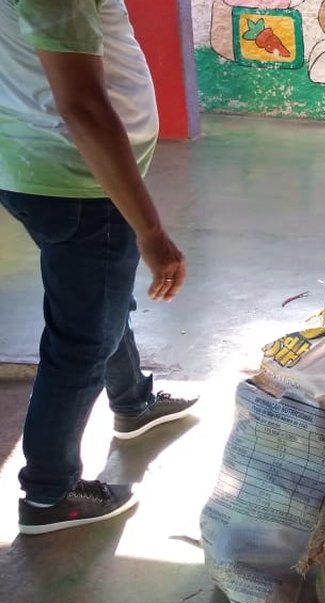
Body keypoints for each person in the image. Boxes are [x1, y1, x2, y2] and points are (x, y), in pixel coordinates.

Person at [1, 2, 198, 535]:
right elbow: (84, 106)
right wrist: (152, 232)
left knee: (102, 298)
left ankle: (133, 402)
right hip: (76, 180)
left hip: (45, 169)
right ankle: (50, 491)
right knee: (83, 338)